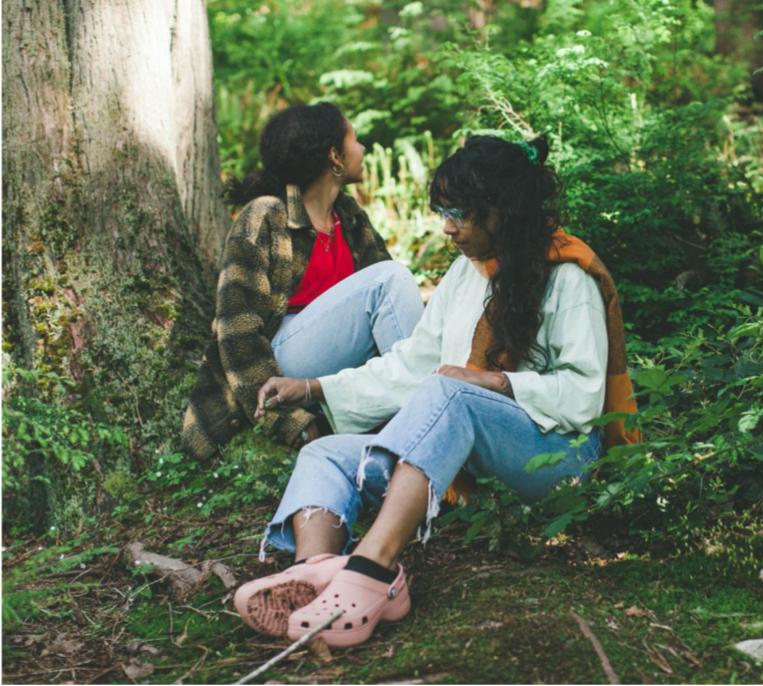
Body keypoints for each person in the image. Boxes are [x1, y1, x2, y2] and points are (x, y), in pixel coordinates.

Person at [229, 134, 641, 647]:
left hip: (556, 460)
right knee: (326, 454)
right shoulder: (465, 274)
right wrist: (312, 387)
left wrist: (491, 381)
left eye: (459, 213)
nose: (447, 228)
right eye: (443, 211)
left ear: (502, 210)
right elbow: (409, 367)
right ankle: (317, 574)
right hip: (468, 459)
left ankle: (374, 571)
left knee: (451, 391)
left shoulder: (567, 276)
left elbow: (583, 396)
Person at [182, 102, 423, 458]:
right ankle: (430, 416)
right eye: (354, 139)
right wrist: (285, 420)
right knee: (389, 280)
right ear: (334, 156)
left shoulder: (348, 216)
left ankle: (411, 423)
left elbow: (389, 316)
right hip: (278, 361)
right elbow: (237, 329)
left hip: (330, 362)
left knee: (389, 285)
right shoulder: (266, 216)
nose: (364, 149)